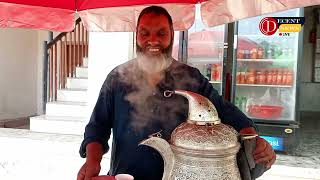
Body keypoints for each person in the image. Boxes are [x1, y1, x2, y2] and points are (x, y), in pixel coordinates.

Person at [77, 6, 276, 180]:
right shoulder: (117, 78)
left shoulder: (191, 77)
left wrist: (254, 140)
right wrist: (93, 160)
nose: (152, 41)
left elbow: (227, 114)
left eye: (161, 33)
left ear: (172, 34)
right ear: (136, 35)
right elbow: (97, 126)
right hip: (125, 175)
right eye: (144, 33)